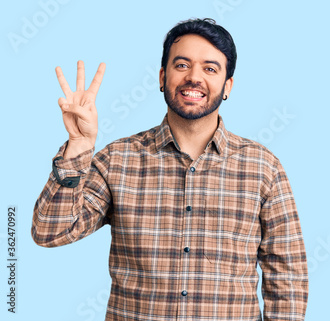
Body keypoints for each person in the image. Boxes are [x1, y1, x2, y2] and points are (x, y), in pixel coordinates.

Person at [32, 18, 308, 320]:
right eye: (182, 65)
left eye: (210, 68)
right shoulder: (118, 159)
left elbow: (287, 274)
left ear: (227, 85)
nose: (194, 77)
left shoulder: (263, 167)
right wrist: (79, 146)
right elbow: (50, 232)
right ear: (162, 77)